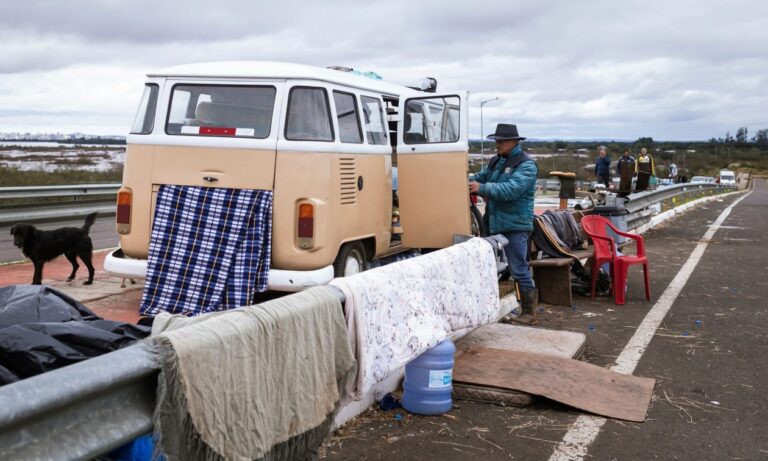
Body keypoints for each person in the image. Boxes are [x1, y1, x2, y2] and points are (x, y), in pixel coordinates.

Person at [469, 124, 539, 324]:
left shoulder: (526, 165)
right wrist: (468, 180)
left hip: (515, 226)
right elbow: (480, 177)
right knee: (491, 267)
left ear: (514, 142)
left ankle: (529, 312)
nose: (497, 144)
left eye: (501, 141)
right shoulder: (496, 161)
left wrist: (480, 187)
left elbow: (511, 190)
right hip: (496, 224)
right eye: (496, 141)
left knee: (518, 269)